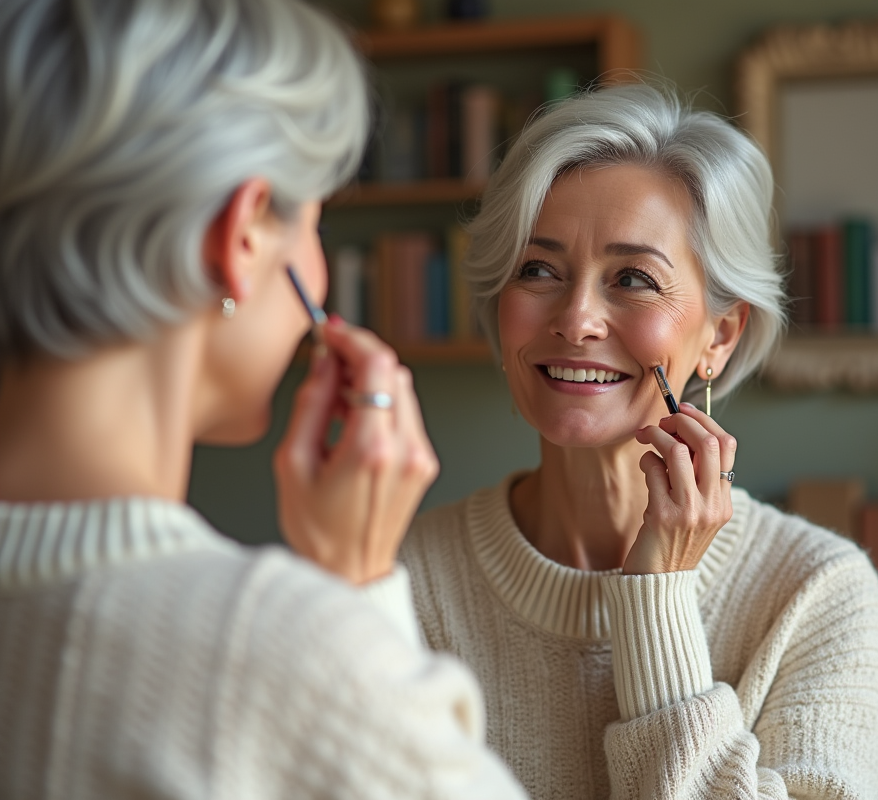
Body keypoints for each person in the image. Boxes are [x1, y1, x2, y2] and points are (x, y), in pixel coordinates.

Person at [0, 1, 526, 797]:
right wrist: (357, 597)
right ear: (244, 236)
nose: (314, 278)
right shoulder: (269, 653)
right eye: (315, 224)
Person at [399, 83, 878, 799]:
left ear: (720, 337)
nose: (576, 319)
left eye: (632, 278)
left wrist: (657, 598)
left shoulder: (816, 593)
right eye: (538, 269)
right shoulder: (405, 580)